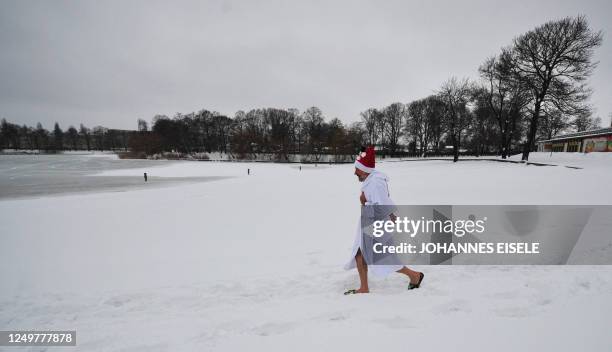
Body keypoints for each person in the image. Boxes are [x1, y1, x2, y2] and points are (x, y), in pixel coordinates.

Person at [344, 146, 424, 295]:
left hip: (376, 225)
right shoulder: (371, 180)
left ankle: (415, 276)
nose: (355, 172)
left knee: (383, 258)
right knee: (360, 254)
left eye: (357, 169)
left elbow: (382, 207)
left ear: (365, 169)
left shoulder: (375, 183)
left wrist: (364, 201)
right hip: (369, 222)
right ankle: (364, 287)